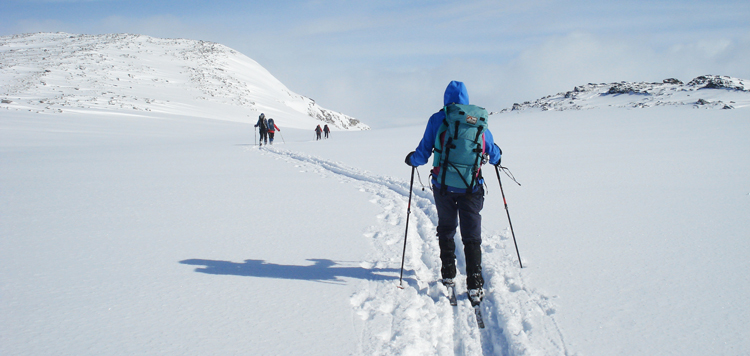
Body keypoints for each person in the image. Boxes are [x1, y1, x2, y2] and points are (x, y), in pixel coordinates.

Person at [404, 81, 502, 307]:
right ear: (466, 99)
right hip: (471, 187)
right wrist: (498, 157)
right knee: (471, 234)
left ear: (446, 98)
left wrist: (412, 160)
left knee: (447, 228)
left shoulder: (439, 119)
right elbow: (492, 152)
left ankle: (448, 272)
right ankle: (475, 281)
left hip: (443, 185)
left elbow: (424, 152)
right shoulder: (477, 121)